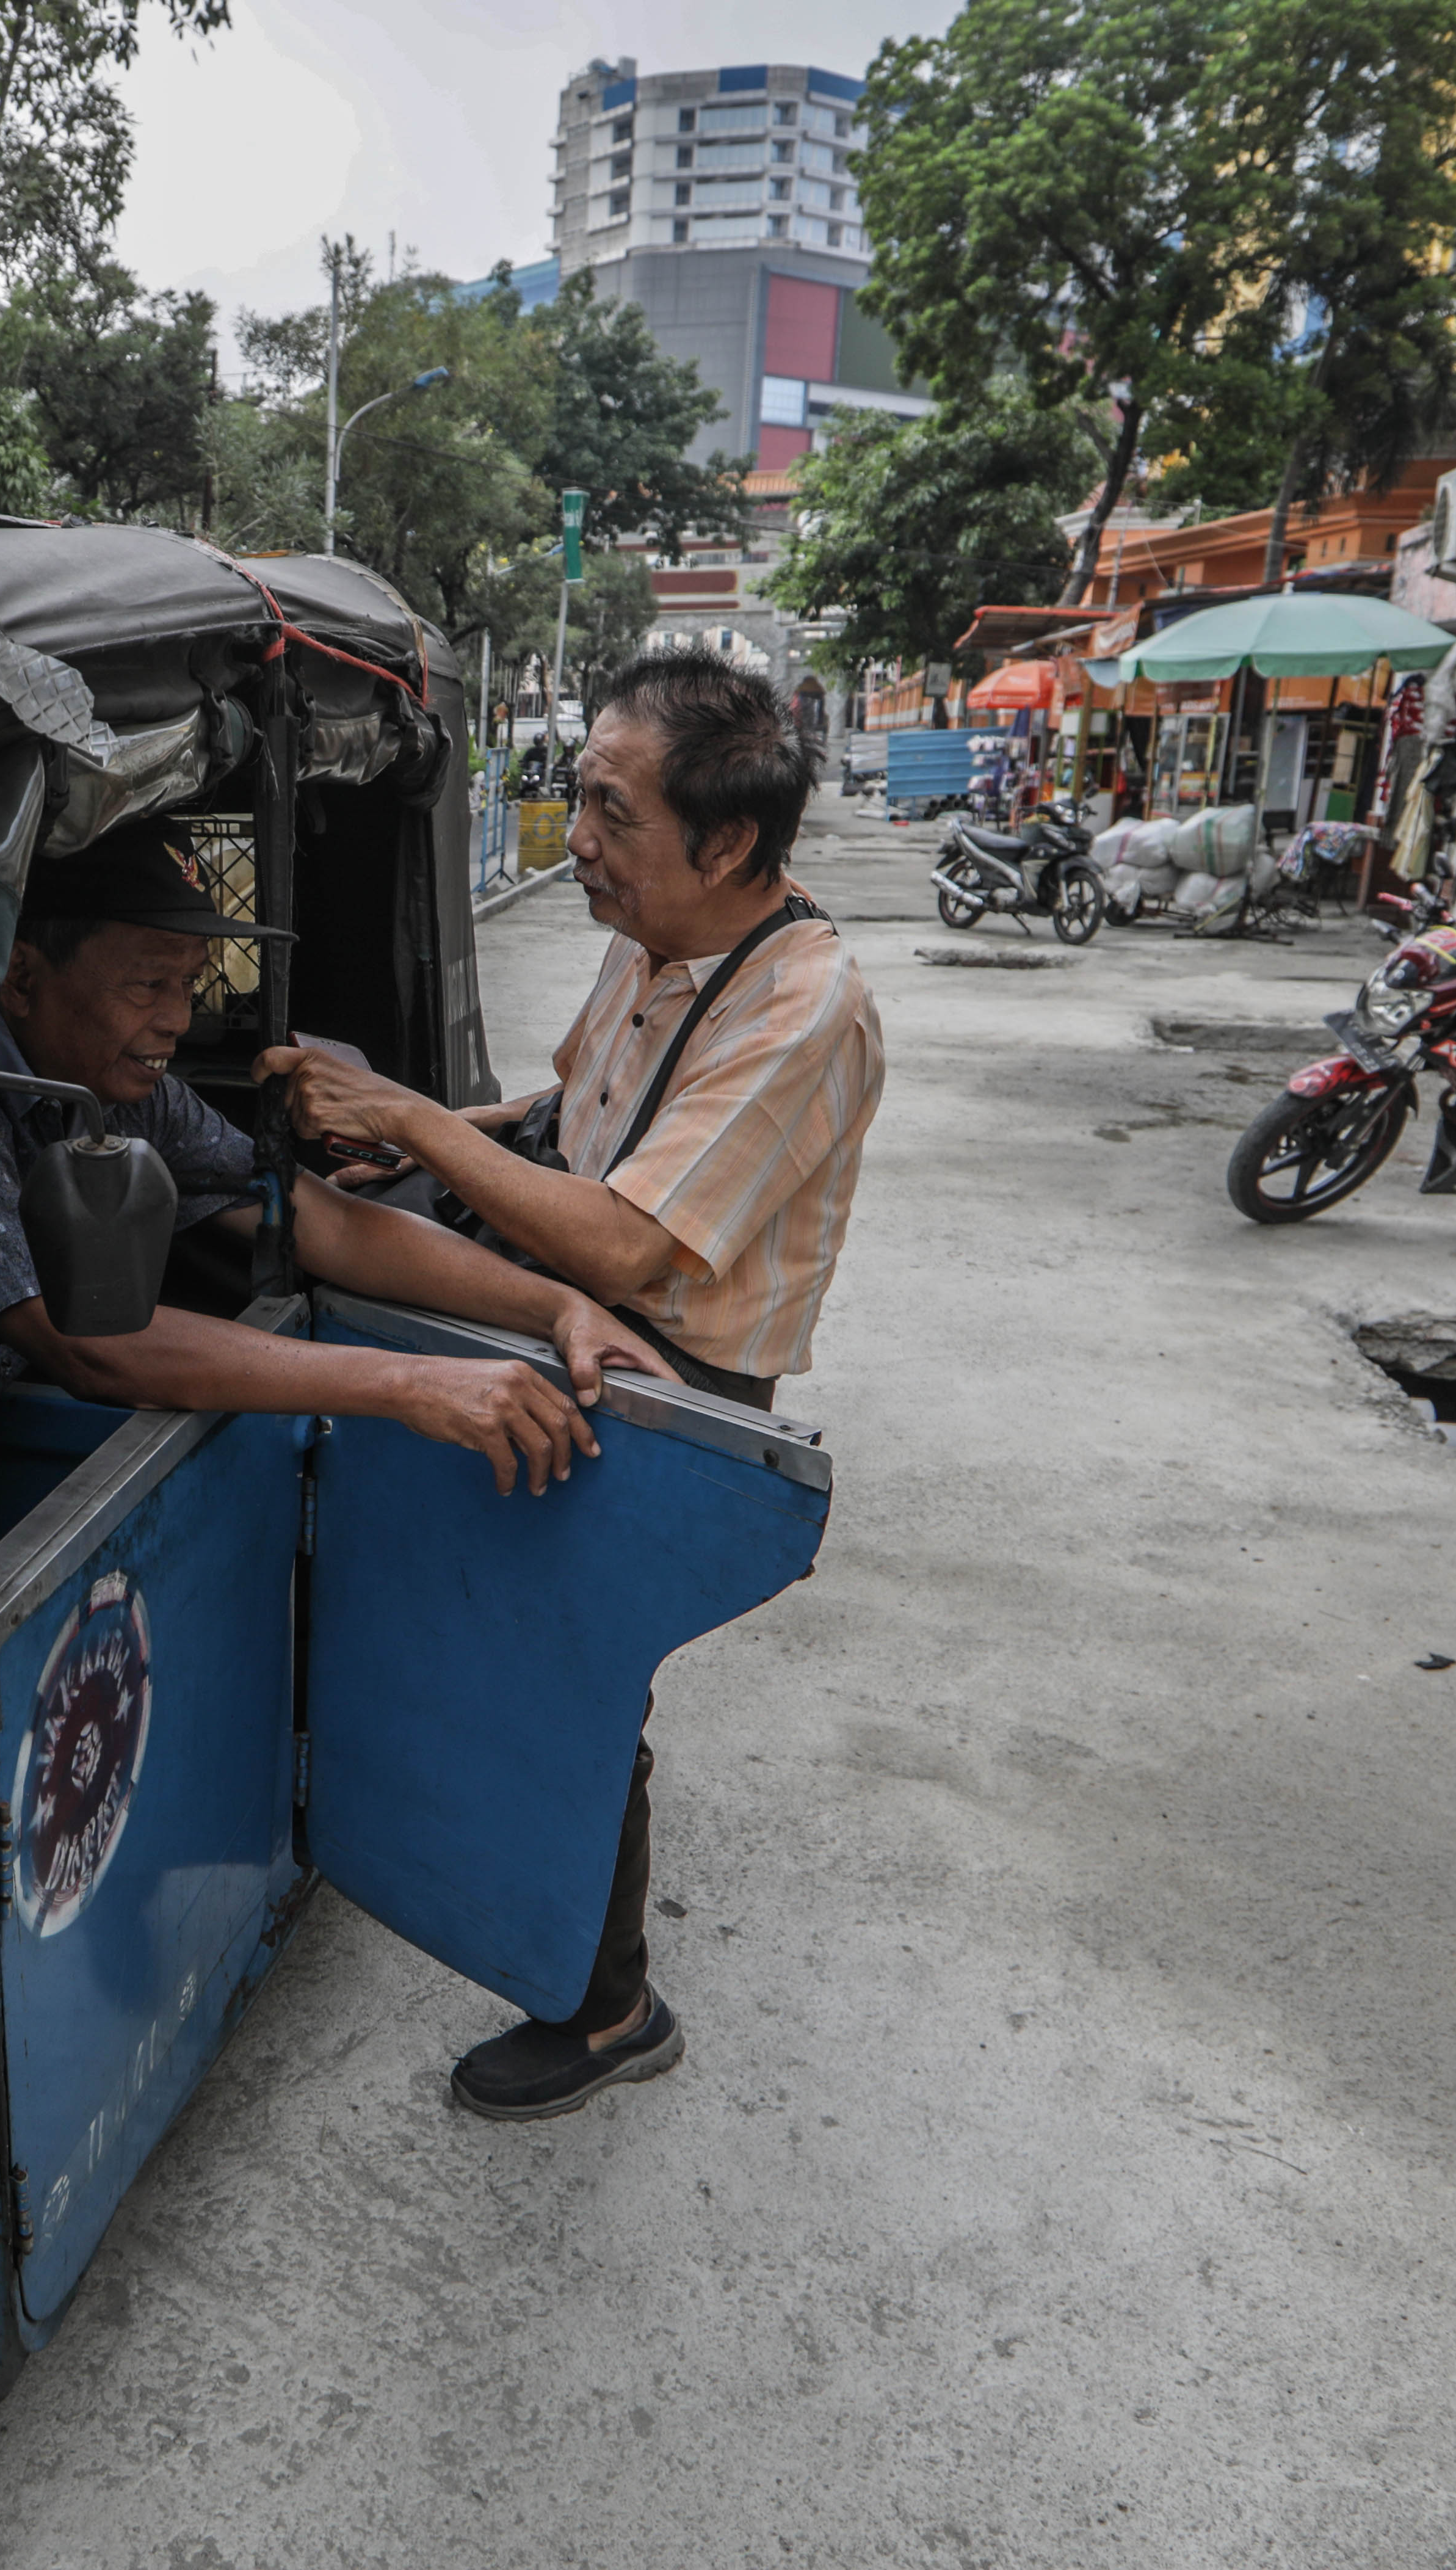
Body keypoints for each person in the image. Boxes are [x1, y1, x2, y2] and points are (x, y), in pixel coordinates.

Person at [256, 648, 885, 2121]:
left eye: (608, 812)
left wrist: (407, 1111)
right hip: (568, 1300)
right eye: (577, 798)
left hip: (668, 1360)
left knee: (568, 1661)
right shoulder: (651, 932)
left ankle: (608, 2008)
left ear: (725, 841)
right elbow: (566, 1116)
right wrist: (422, 1144)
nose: (576, 840)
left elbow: (616, 1233)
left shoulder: (799, 1006)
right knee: (489, 1620)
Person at [0, 822, 672, 1504]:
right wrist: (408, 1384)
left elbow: (317, 1218)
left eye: (189, 984)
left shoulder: (132, 1095)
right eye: (148, 986)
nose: (176, 1019)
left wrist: (558, 1306)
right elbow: (87, 1346)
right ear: (20, 977)